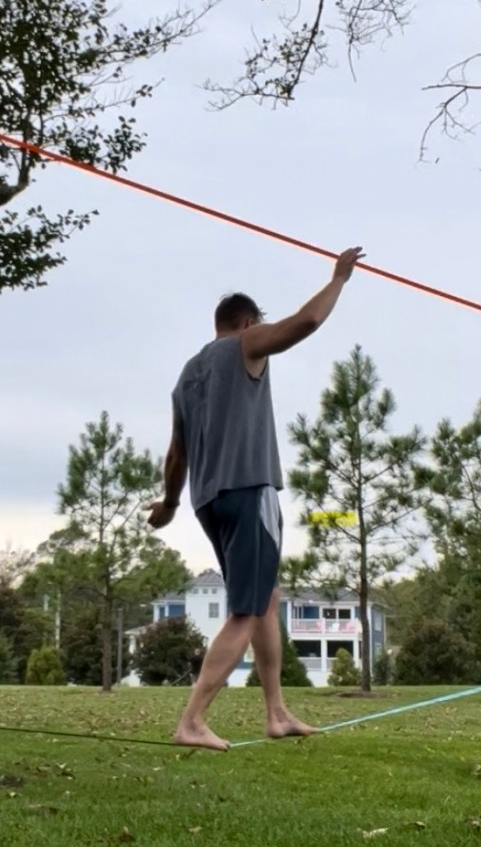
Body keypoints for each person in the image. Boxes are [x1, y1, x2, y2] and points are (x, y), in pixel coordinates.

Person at [147, 246, 365, 751]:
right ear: (246, 323)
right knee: (246, 609)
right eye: (257, 327)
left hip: (207, 500)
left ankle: (277, 713)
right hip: (249, 490)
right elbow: (307, 321)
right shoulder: (244, 345)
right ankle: (192, 720)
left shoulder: (187, 374)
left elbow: (177, 453)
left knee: (267, 599)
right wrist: (339, 279)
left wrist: (170, 504)